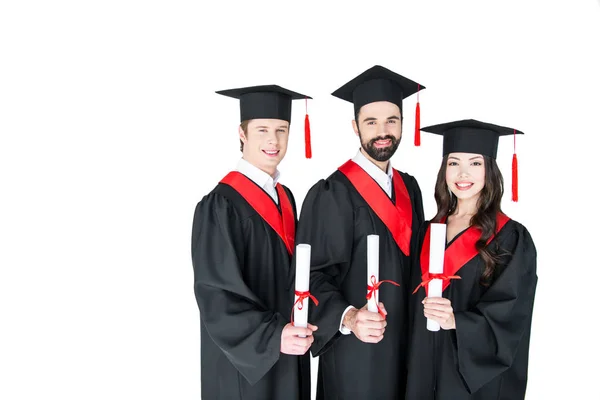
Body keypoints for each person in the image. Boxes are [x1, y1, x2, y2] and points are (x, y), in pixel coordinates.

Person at [295, 65, 425, 399]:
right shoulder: (332, 193)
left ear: (403, 124)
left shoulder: (410, 188)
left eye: (391, 121)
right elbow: (310, 277)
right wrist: (350, 317)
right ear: (355, 127)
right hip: (357, 358)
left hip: (409, 350)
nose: (383, 131)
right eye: (371, 122)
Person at [191, 85, 317, 400]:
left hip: (290, 349)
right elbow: (216, 294)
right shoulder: (221, 204)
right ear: (242, 134)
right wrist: (274, 335)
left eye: (281, 130)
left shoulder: (286, 198)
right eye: (262, 130)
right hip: (246, 364)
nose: (273, 140)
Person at [405, 119, 538, 400]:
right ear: (444, 170)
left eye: (475, 163)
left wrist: (458, 321)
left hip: (471, 379)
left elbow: (514, 312)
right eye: (453, 163)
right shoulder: (425, 231)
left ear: (490, 170)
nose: (463, 173)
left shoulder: (511, 236)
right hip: (422, 366)